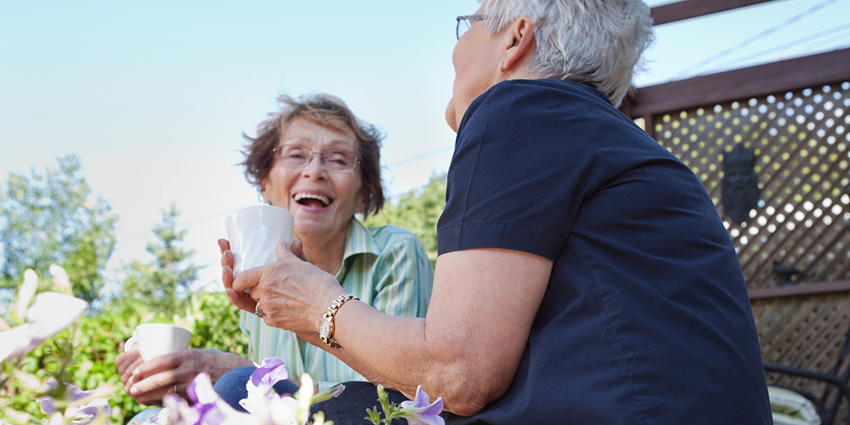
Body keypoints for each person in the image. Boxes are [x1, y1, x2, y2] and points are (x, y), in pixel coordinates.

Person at [224, 1, 773, 424]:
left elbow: (456, 373)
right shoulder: (595, 134)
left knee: (238, 401)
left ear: (515, 39)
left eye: (470, 22)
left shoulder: (522, 108)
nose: (458, 47)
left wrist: (312, 301)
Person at [115, 93, 433, 417]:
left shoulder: (395, 252)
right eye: (296, 154)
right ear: (265, 184)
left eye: (338, 159)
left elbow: (408, 390)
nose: (315, 170)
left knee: (239, 383)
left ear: (364, 195)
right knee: (149, 418)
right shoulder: (254, 274)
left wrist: (242, 372)